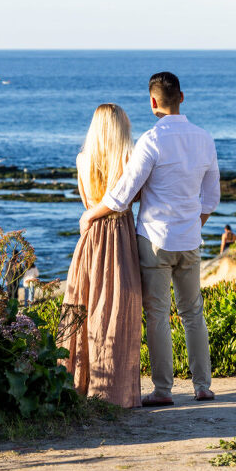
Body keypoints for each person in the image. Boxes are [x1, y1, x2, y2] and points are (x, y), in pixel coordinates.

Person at [80, 72, 220, 405]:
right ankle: (202, 386)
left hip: (155, 240)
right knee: (193, 313)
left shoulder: (151, 140)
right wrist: (193, 225)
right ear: (181, 97)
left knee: (158, 315)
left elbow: (121, 195)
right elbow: (211, 197)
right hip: (190, 239)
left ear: (153, 102)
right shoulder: (204, 138)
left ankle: (163, 390)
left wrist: (91, 214)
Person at [60, 103, 143, 408]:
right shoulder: (129, 157)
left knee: (83, 305)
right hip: (120, 236)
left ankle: (79, 383)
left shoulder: (82, 159)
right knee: (116, 310)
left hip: (91, 235)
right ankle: (115, 390)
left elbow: (86, 199)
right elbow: (134, 196)